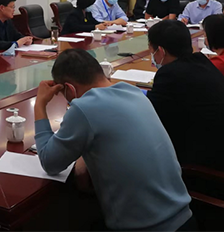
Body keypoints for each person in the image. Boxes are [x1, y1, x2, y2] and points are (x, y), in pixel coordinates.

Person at [34, 49, 196, 232]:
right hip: (185, 219)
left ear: (69, 89)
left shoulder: (83, 107)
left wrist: (40, 104)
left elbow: (49, 162)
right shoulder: (134, 93)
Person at [147, 20, 224, 179]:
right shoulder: (202, 62)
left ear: (160, 51)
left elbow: (151, 119)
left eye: (151, 51)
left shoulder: (170, 74)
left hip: (221, 178)